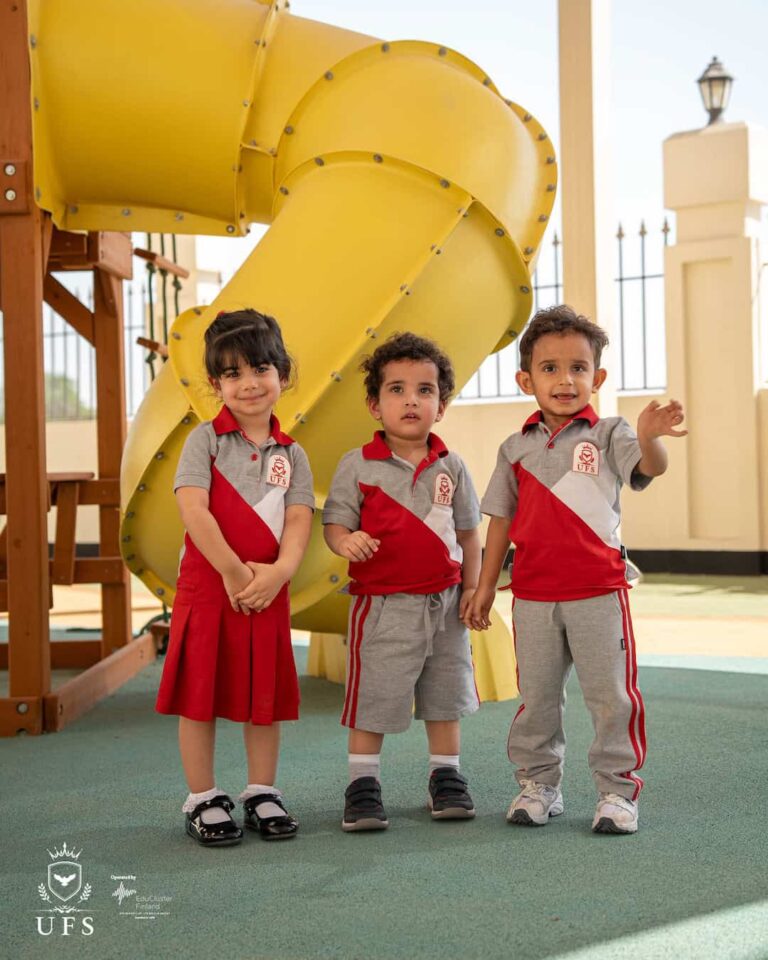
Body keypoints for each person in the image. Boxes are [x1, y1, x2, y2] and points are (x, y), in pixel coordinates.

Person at [465, 305, 687, 835]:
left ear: (598, 377)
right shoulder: (513, 449)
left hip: (598, 593)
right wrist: (485, 586)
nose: (565, 380)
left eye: (578, 368)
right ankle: (539, 785)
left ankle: (617, 792)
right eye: (550, 368)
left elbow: (649, 467)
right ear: (526, 380)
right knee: (537, 699)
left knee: (611, 698)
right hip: (533, 597)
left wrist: (649, 435)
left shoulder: (610, 433)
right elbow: (500, 523)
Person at [156, 309, 314, 847]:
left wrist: (280, 573)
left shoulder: (293, 453)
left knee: (262, 696)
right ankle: (202, 797)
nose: (248, 383)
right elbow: (193, 509)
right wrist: (231, 570)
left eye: (261, 368)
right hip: (208, 589)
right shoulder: (204, 441)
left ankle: (261, 792)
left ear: (282, 374)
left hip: (267, 590)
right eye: (232, 373)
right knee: (199, 695)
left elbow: (299, 519)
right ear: (216, 383)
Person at [323, 332, 483, 832]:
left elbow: (468, 534)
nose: (411, 400)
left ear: (441, 406)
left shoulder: (452, 465)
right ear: (375, 405)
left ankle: (446, 776)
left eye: (424, 390)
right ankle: (362, 784)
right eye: (397, 389)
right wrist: (345, 541)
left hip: (447, 604)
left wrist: (474, 589)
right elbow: (335, 524)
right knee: (375, 694)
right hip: (383, 606)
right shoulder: (357, 464)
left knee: (446, 693)